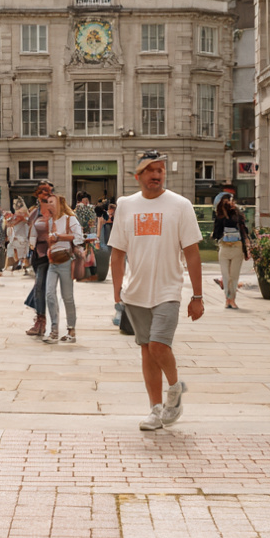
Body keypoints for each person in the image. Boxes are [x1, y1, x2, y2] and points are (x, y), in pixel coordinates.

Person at [109, 151, 204, 431]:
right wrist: (117, 291)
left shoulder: (180, 205)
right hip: (136, 292)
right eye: (150, 170)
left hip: (168, 290)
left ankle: (174, 388)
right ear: (137, 176)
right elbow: (117, 253)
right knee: (146, 351)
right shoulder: (126, 205)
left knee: (158, 346)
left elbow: (193, 253)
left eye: (160, 170)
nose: (156, 175)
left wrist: (197, 296)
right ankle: (154, 409)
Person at [35, 193, 84, 343]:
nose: (49, 205)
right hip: (52, 262)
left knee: (67, 296)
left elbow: (79, 237)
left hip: (65, 261)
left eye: (52, 202)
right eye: (48, 202)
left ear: (60, 204)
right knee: (49, 294)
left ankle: (71, 330)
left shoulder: (70, 219)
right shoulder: (49, 221)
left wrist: (59, 237)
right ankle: (54, 330)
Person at [21, 181, 55, 336]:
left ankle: (41, 321)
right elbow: (30, 232)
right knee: (40, 286)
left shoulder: (56, 211)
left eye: (48, 191)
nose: (46, 194)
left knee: (42, 287)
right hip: (38, 254)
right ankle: (40, 320)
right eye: (42, 191)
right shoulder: (34, 213)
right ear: (37, 194)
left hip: (53, 254)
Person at [212, 193, 249, 309]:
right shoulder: (223, 216)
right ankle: (229, 299)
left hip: (233, 248)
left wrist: (247, 248)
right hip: (229, 247)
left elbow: (244, 231)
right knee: (229, 276)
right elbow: (244, 231)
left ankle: (230, 299)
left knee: (231, 275)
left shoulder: (234, 215)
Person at [6, 199, 31, 272]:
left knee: (17, 251)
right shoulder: (22, 214)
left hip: (19, 237)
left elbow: (11, 223)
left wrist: (8, 220)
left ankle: (19, 264)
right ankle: (20, 264)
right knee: (17, 252)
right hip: (19, 236)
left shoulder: (21, 214)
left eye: (14, 203)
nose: (13, 205)